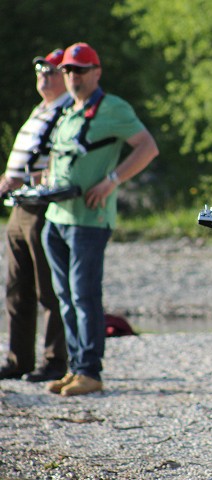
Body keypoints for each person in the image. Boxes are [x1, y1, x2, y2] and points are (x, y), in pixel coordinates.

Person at [41, 42, 159, 397]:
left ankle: (90, 371)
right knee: (64, 296)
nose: (73, 76)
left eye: (80, 69)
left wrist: (112, 181)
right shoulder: (66, 110)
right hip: (56, 216)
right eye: (68, 70)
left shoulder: (112, 108)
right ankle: (76, 366)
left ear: (96, 72)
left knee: (84, 296)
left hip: (89, 220)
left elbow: (147, 147)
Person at [0, 49, 71, 382]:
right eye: (41, 69)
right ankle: (19, 358)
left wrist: (24, 180)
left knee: (49, 288)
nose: (44, 75)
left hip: (42, 207)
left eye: (52, 71)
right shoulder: (41, 109)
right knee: (16, 286)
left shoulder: (66, 111)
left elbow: (62, 165)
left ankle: (55, 360)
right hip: (18, 207)